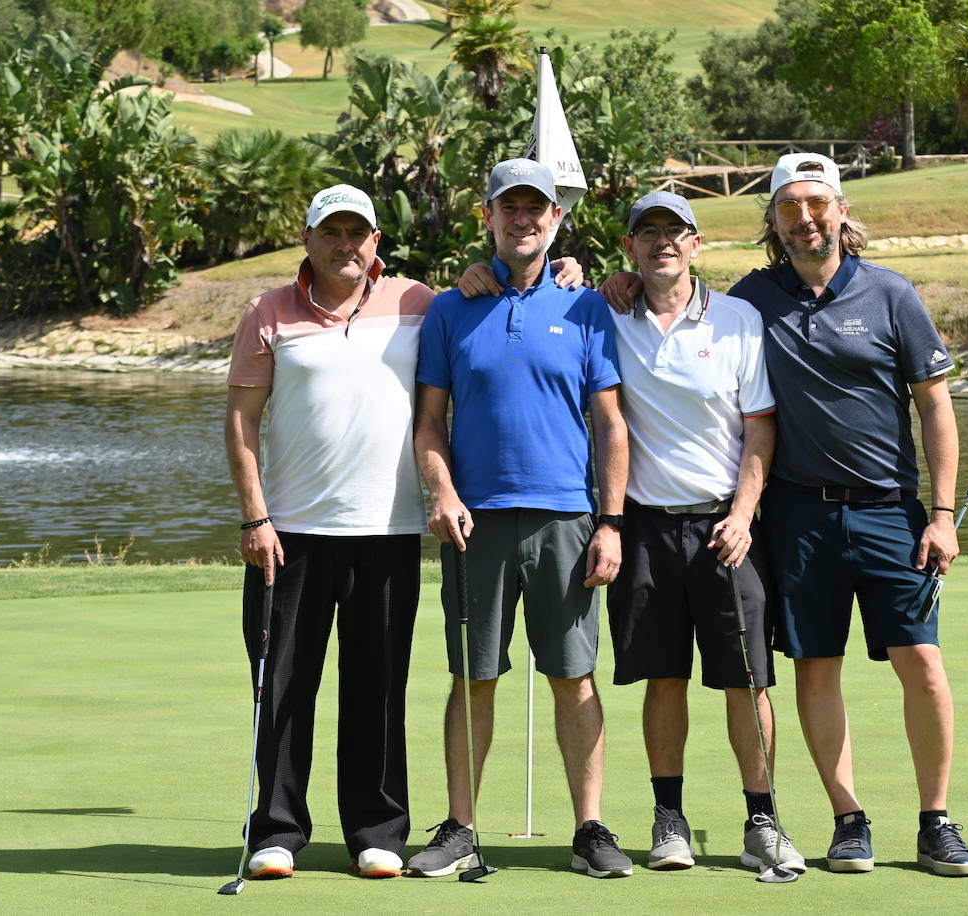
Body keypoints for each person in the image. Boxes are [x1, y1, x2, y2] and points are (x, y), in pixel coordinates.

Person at [602, 155, 968, 877]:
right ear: (772, 222)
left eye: (816, 205)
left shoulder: (891, 294)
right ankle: (848, 820)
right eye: (789, 208)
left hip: (892, 511)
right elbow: (662, 289)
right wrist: (605, 282)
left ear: (839, 210)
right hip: (799, 515)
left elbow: (935, 407)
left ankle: (935, 820)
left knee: (923, 666)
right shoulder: (755, 299)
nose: (805, 219)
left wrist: (942, 513)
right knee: (814, 667)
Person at [410, 159, 633, 879]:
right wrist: (441, 492)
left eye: (537, 208)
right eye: (510, 207)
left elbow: (611, 425)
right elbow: (429, 423)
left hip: (567, 517)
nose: (524, 219)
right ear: (490, 216)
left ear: (556, 219)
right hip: (476, 521)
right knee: (474, 677)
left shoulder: (585, 305)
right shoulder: (452, 307)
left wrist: (611, 522)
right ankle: (461, 827)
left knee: (575, 677)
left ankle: (591, 829)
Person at [224, 184, 432, 881]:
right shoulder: (268, 312)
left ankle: (376, 830)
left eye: (359, 232)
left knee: (378, 685)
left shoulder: (417, 303)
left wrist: (572, 271)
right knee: (283, 687)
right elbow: (242, 421)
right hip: (290, 533)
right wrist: (254, 515)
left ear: (377, 240)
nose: (347, 244)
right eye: (332, 232)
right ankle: (278, 831)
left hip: (390, 530)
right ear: (307, 238)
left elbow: (495, 301)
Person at [603, 191, 806, 876]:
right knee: (664, 680)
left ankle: (763, 820)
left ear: (697, 244)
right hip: (643, 532)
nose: (662, 242)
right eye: (647, 232)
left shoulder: (739, 319)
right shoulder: (606, 316)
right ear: (629, 248)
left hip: (726, 526)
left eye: (675, 231)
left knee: (747, 682)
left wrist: (744, 514)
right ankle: (669, 819)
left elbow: (760, 426)